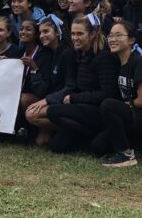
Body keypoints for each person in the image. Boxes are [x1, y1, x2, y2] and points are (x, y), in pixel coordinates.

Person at [95, 21, 142, 167]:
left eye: (118, 35)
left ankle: (126, 155)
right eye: (110, 35)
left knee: (108, 105)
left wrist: (123, 107)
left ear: (131, 40)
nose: (112, 39)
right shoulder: (120, 63)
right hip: (135, 116)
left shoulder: (138, 62)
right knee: (98, 146)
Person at [45, 15, 120, 153]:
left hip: (99, 110)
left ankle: (93, 135)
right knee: (56, 146)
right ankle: (83, 136)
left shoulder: (103, 57)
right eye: (73, 34)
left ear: (92, 34)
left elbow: (108, 94)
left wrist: (74, 98)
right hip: (84, 107)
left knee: (53, 111)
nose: (75, 38)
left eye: (80, 34)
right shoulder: (80, 54)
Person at [25, 15, 72, 146]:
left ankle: (73, 129)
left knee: (31, 115)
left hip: (65, 101)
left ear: (57, 32)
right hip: (51, 98)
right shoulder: (47, 53)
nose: (41, 36)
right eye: (40, 32)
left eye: (46, 32)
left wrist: (47, 100)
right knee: (40, 142)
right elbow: (42, 88)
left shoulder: (67, 54)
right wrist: (34, 70)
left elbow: (70, 86)